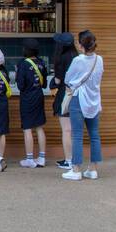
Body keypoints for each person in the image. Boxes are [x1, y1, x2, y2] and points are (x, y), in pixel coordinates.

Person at [62, 29, 104, 181]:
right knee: (94, 135)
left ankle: (76, 169)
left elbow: (68, 78)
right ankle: (93, 169)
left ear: (81, 45)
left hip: (79, 99)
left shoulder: (78, 61)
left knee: (77, 135)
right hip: (94, 100)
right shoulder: (99, 60)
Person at [15, 41, 48, 167]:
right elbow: (44, 84)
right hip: (39, 96)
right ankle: (42, 157)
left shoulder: (22, 64)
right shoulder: (42, 63)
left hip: (27, 98)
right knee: (39, 127)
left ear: (26, 50)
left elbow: (20, 85)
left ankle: (29, 158)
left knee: (27, 128)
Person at [48, 31, 76, 169]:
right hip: (76, 95)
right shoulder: (76, 57)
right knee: (73, 130)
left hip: (65, 95)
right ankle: (72, 159)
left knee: (66, 130)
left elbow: (58, 80)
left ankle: (69, 160)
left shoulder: (61, 58)